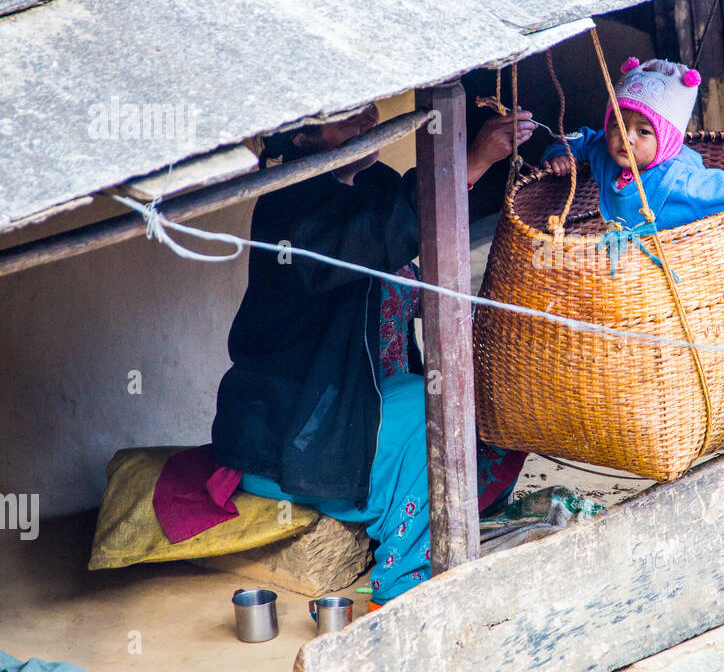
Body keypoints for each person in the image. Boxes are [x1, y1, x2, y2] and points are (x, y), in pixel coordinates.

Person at [212, 102, 533, 605]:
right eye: (349, 117)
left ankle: (464, 522)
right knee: (440, 419)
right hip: (293, 426)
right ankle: (406, 583)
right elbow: (373, 234)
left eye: (370, 110)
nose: (369, 123)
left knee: (497, 399)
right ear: (302, 138)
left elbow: (405, 219)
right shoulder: (287, 206)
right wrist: (471, 163)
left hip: (364, 401)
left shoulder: (376, 183)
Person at [543, 57, 724, 234]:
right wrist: (560, 154)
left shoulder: (683, 183)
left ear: (667, 140)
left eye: (643, 131)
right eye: (617, 124)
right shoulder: (604, 147)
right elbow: (578, 138)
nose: (626, 137)